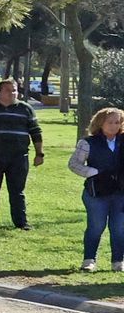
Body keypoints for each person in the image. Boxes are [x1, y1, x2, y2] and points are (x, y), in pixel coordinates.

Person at [0, 78, 44, 230]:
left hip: (18, 156)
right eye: (8, 90)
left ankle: (21, 222)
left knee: (17, 190)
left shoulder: (25, 109)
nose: (12, 93)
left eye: (14, 90)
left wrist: (39, 153)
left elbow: (35, 132)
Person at [68, 106, 124, 273]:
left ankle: (118, 261)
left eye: (118, 122)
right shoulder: (87, 143)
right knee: (96, 226)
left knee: (119, 227)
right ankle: (89, 259)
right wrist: (91, 172)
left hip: (120, 192)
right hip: (96, 193)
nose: (114, 125)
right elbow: (74, 164)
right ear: (100, 123)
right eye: (110, 122)